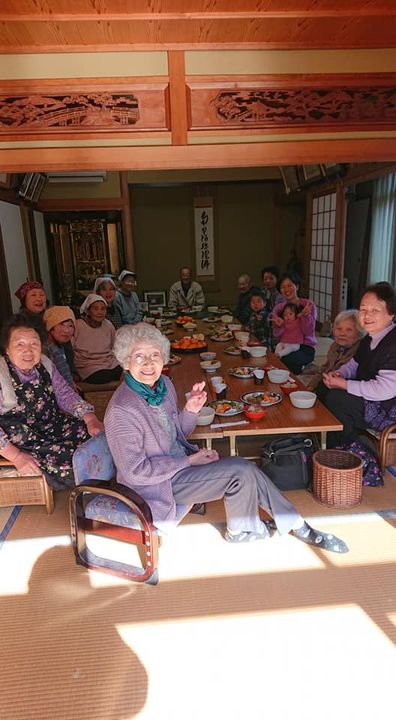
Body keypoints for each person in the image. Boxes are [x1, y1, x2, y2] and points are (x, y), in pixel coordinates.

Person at [104, 323, 347, 553]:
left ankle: (249, 529)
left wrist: (190, 409)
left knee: (244, 469)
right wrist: (189, 462)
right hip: (155, 486)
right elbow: (136, 472)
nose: (148, 363)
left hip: (175, 468)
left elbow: (176, 433)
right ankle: (293, 525)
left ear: (163, 358)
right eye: (139, 357)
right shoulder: (122, 410)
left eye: (154, 355)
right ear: (125, 362)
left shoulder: (162, 384)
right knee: (240, 470)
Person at [0, 314, 103, 489]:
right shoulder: (1, 372)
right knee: (73, 462)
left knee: (93, 438)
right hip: (23, 436)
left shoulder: (45, 364)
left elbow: (65, 395)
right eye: (19, 344)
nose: (28, 350)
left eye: (34, 343)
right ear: (7, 349)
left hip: (52, 424)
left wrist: (90, 418)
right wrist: (16, 456)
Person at [322, 282, 396, 448]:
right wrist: (339, 374)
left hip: (388, 408)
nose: (367, 315)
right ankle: (318, 441)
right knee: (324, 387)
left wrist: (345, 384)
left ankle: (349, 452)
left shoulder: (393, 342)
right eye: (363, 309)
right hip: (371, 398)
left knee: (338, 399)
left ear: (391, 314)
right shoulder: (369, 338)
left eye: (375, 310)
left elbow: (385, 389)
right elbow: (354, 364)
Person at [302, 310, 364, 400]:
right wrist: (311, 386)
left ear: (359, 334)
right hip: (330, 382)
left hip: (348, 389)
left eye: (349, 330)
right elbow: (325, 368)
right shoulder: (334, 346)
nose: (342, 333)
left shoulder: (361, 350)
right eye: (339, 329)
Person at [73, 294, 123, 384]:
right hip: (88, 364)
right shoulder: (78, 325)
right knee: (103, 376)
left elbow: (115, 346)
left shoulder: (108, 325)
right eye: (95, 309)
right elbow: (71, 348)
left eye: (103, 309)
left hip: (108, 361)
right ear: (88, 311)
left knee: (125, 372)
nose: (100, 312)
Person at [272, 272, 317, 373]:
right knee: (272, 358)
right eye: (283, 287)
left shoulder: (308, 305)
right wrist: (279, 326)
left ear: (297, 286)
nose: (287, 289)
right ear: (280, 290)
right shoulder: (278, 309)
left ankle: (304, 367)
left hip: (305, 346)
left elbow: (308, 332)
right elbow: (276, 334)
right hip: (286, 344)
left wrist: (305, 317)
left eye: (290, 285)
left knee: (288, 361)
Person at [44, 305, 77, 387]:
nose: (66, 330)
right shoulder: (44, 349)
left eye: (70, 326)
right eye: (61, 325)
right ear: (50, 326)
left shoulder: (59, 345)